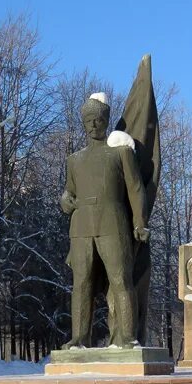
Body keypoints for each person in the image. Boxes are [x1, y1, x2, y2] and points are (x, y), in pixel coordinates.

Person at [60, 93, 149, 349]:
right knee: (81, 285)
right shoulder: (74, 160)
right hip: (81, 227)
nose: (93, 125)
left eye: (98, 119)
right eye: (88, 120)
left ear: (106, 121)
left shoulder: (120, 153)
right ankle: (78, 338)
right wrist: (65, 200)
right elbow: (69, 191)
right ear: (83, 123)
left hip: (113, 223)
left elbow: (136, 189)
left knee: (121, 280)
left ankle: (127, 337)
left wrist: (139, 222)